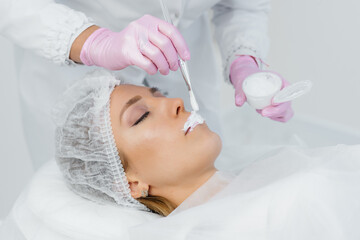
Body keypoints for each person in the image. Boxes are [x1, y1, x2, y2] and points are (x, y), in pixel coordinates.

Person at [52, 71, 359, 240]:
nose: (174, 101)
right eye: (141, 116)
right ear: (130, 183)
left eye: (158, 93)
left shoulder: (280, 169)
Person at [0, 0, 293, 169]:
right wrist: (91, 41)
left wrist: (244, 58)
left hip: (185, 53)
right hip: (71, 65)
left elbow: (243, 5)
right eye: (140, 116)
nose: (177, 104)